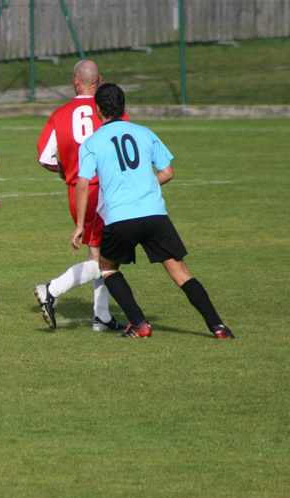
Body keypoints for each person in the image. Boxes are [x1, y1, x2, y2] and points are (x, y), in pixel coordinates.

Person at [72, 82, 234, 339]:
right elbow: (167, 172)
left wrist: (80, 225)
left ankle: (139, 323)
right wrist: (144, 185)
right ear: (123, 107)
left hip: (120, 217)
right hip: (155, 214)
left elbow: (82, 184)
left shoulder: (92, 142)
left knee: (107, 268)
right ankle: (218, 326)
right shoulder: (144, 132)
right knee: (182, 274)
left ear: (97, 109)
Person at [34, 59, 126, 331]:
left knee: (99, 253)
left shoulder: (60, 114)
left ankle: (102, 317)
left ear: (75, 81)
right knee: (106, 259)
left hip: (78, 191)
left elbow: (44, 157)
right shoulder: (107, 109)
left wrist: (64, 170)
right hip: (103, 191)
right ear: (100, 80)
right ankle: (51, 289)